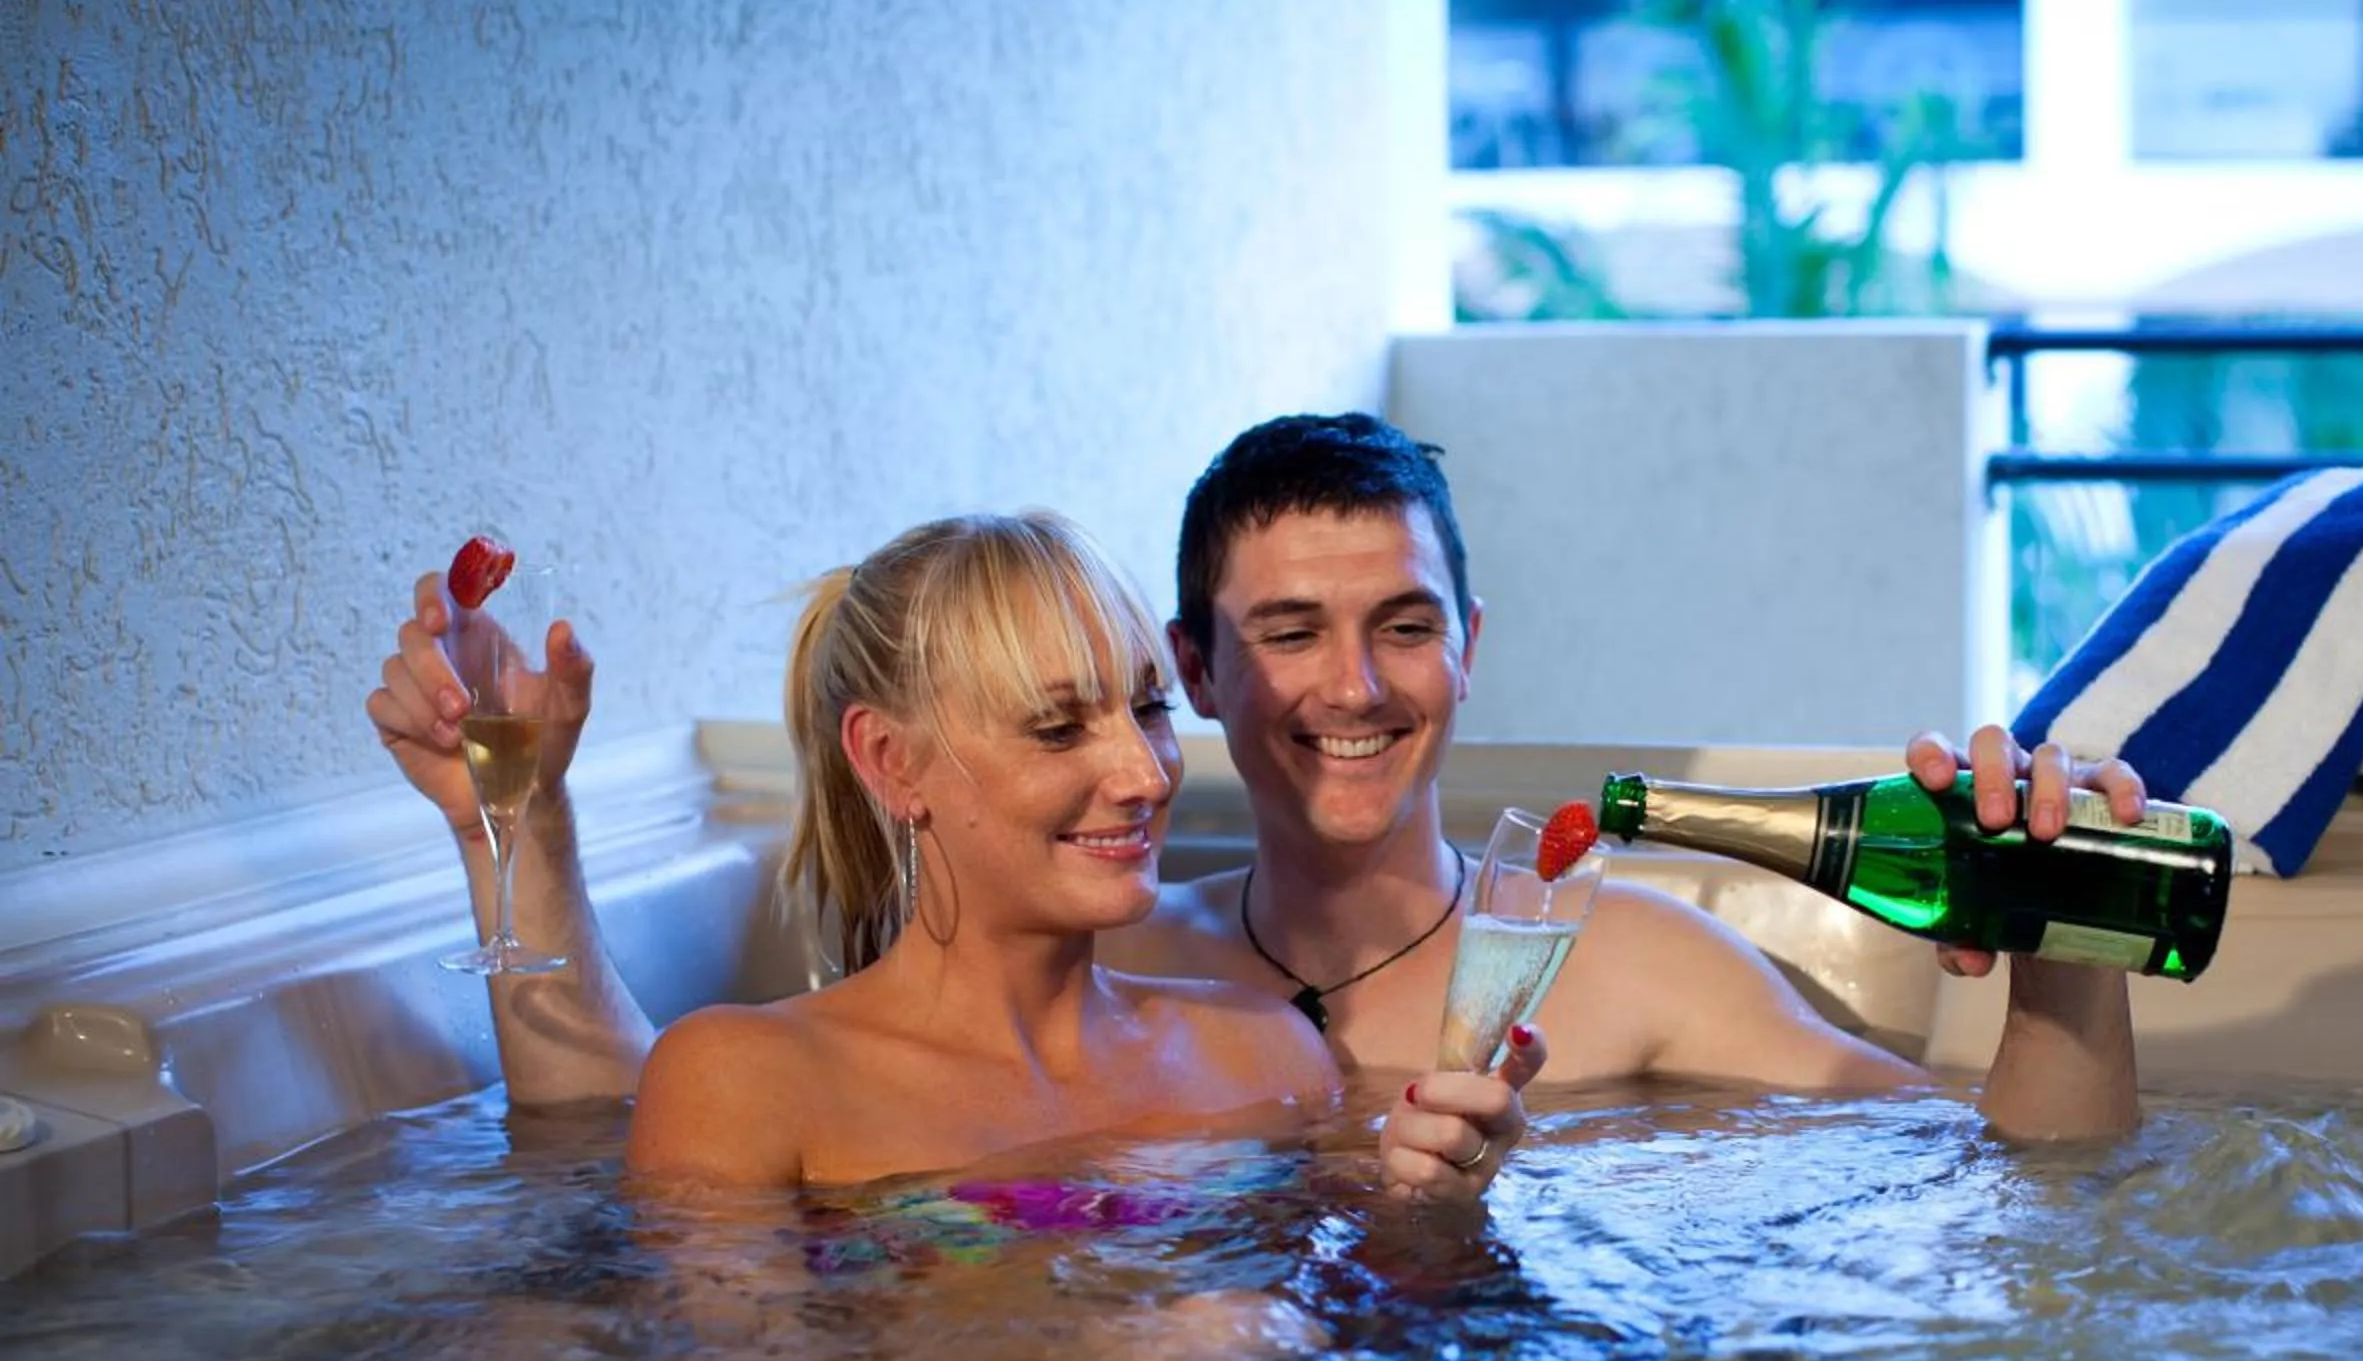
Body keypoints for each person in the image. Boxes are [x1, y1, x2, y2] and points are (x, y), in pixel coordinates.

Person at [369, 415, 2147, 1193]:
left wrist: (2071, 952)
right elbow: (615, 1114)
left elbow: (1995, 1184)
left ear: (1471, 651)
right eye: (1286, 635)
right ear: (1208, 672)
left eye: (1404, 629)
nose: (1354, 689)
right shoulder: (1108, 942)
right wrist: (510, 820)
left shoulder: (1638, 972)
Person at [374, 510, 1538, 1195]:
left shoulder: (1264, 1053)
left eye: (1145, 709)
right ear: (892, 762)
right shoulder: (748, 1079)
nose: (1145, 771)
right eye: (1058, 724)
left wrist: (1435, 1211)